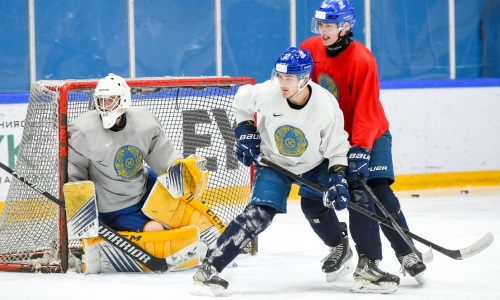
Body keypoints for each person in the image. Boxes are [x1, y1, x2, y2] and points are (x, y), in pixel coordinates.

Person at [192, 47, 352, 294]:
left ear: (305, 78)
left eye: (289, 78)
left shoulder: (326, 106)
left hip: (314, 165)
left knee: (314, 208)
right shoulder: (268, 92)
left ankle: (339, 245)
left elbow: (337, 149)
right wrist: (245, 130)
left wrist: (338, 178)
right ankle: (210, 269)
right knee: (258, 213)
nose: (282, 83)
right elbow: (241, 102)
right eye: (279, 76)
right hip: (274, 163)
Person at [301, 0, 426, 294]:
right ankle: (339, 245)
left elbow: (367, 109)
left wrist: (360, 148)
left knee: (374, 190)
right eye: (320, 24)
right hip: (329, 139)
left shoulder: (362, 59)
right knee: (311, 200)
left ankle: (405, 251)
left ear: (345, 27)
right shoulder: (310, 47)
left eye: (329, 25)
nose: (323, 31)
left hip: (370, 132)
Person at [67, 73, 181, 232]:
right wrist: (80, 212)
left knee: (181, 207)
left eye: (110, 99)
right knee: (155, 229)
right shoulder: (84, 131)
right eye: (101, 99)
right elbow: (75, 173)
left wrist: (179, 169)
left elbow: (162, 156)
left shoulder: (143, 122)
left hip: (143, 186)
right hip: (114, 206)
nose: (105, 105)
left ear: (123, 99)